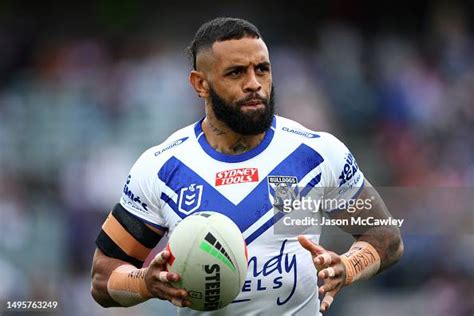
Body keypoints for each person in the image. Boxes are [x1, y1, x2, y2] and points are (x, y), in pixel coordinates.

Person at [90, 17, 403, 315]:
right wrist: (145, 283)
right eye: (236, 73)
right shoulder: (161, 167)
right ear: (200, 84)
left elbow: (385, 237)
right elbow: (103, 277)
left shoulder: (317, 153)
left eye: (262, 69)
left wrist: (348, 267)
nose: (254, 84)